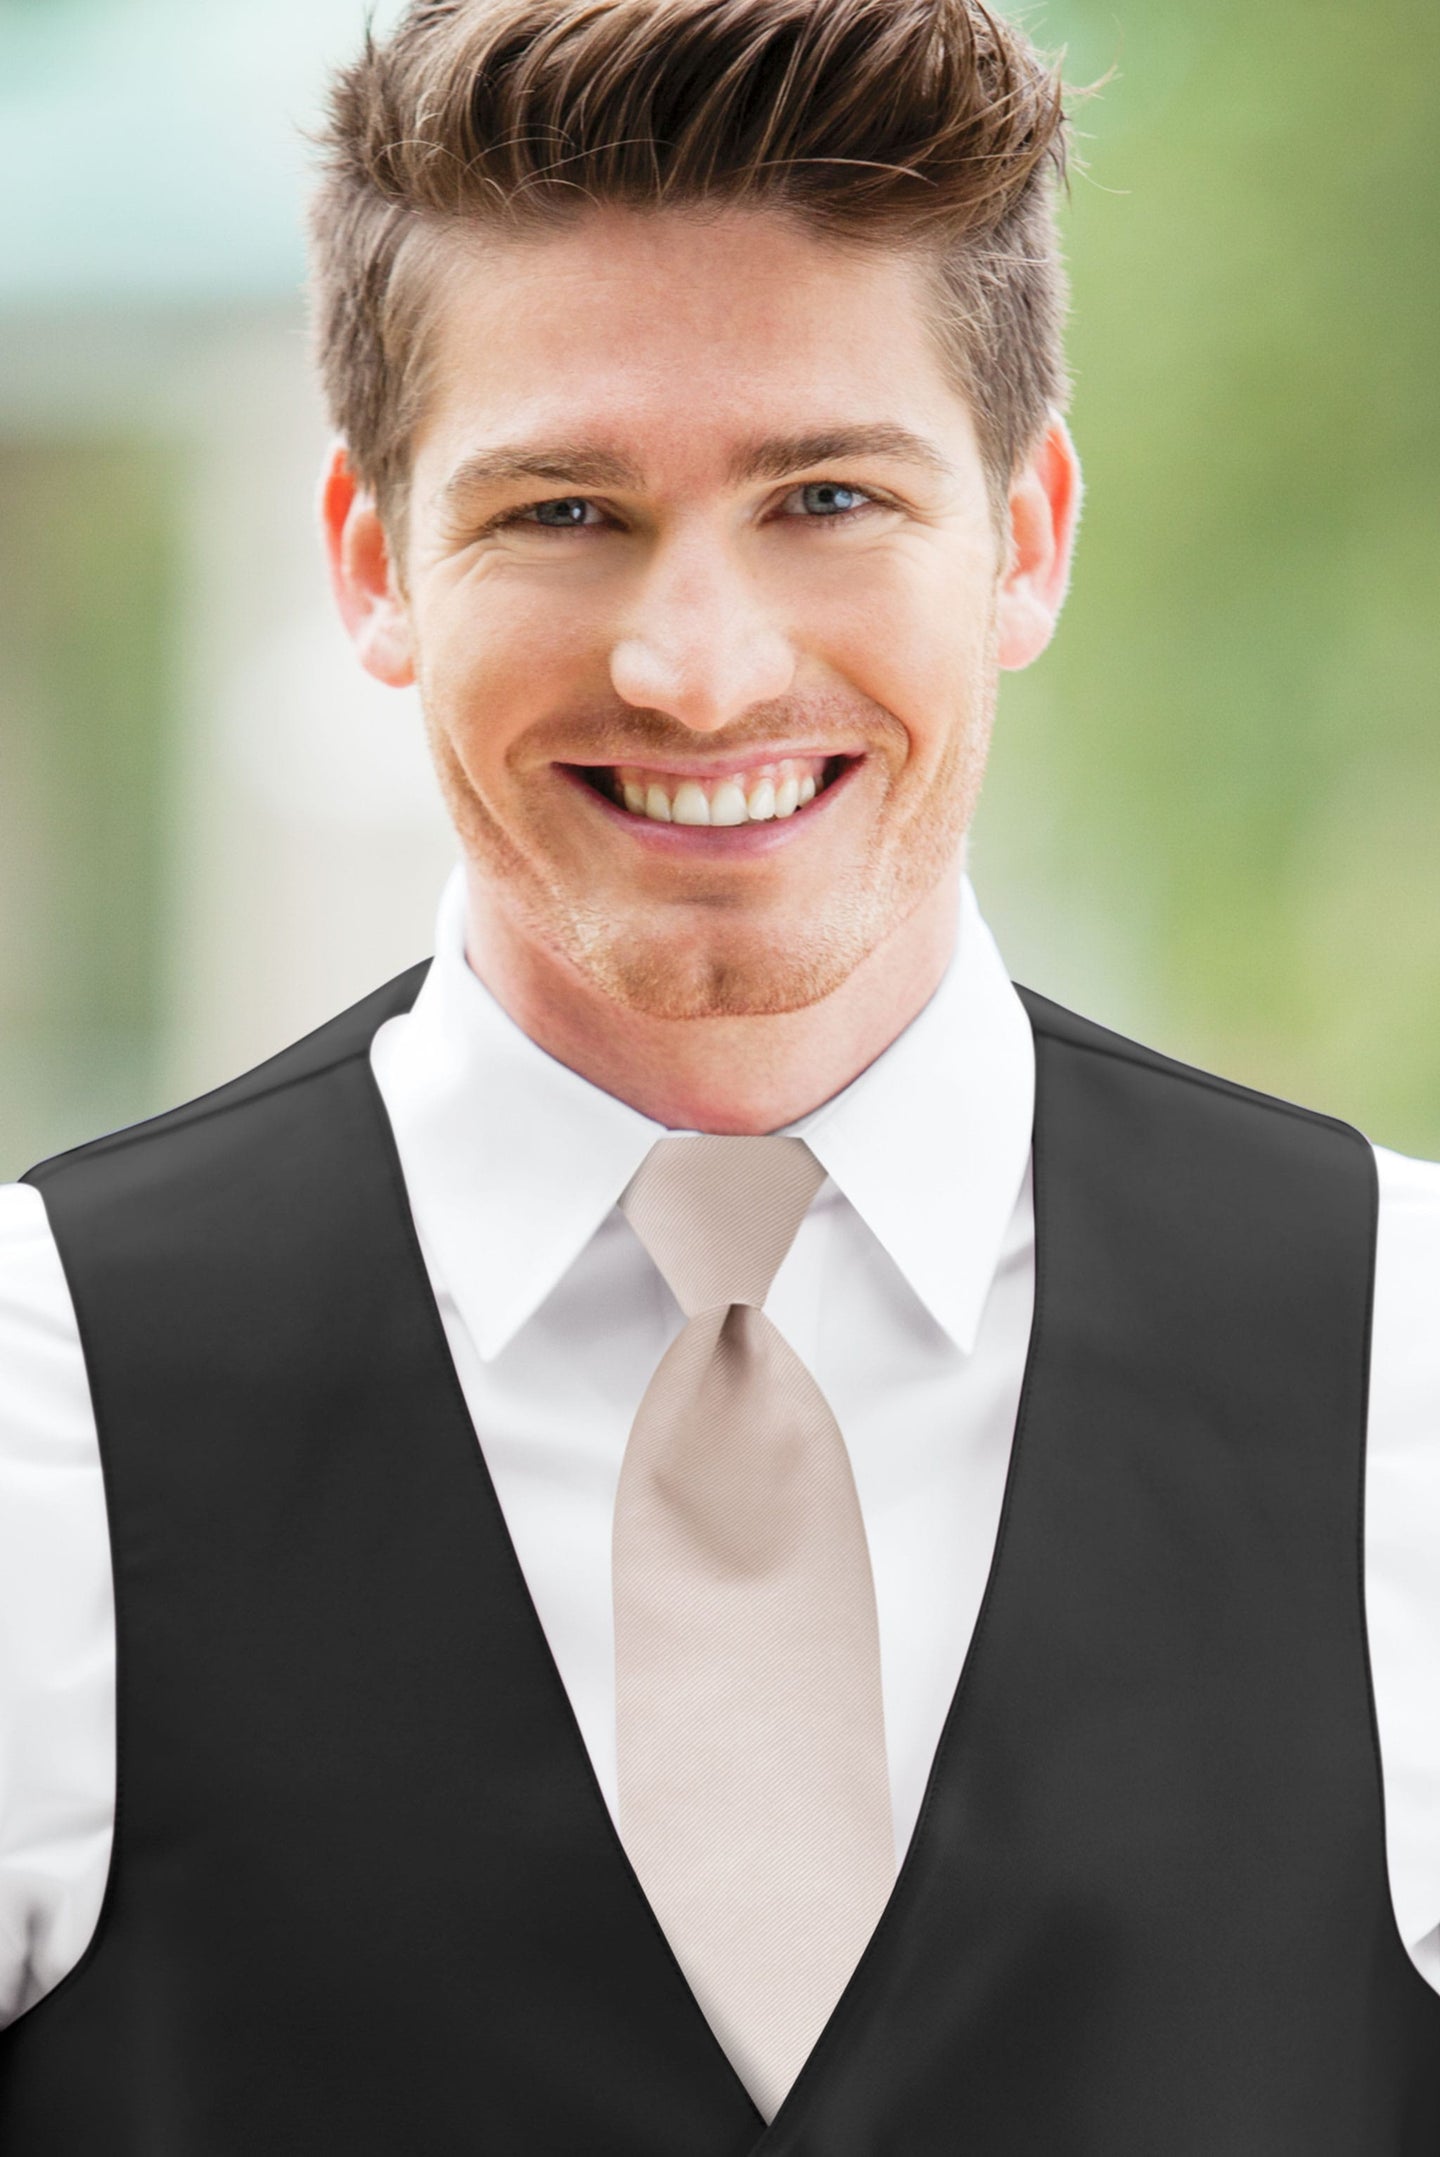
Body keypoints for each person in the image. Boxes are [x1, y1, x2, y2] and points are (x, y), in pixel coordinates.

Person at [0, 0, 1437, 2145]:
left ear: (1027, 535)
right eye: (564, 509)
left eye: (829, 494)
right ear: (373, 559)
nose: (699, 667)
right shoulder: (30, 1402)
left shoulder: (1417, 1357)